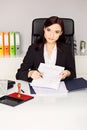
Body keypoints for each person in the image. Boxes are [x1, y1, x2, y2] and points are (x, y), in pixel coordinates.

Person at [16, 16, 76, 82]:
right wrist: (30, 73)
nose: (51, 35)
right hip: (38, 88)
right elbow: (19, 74)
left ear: (60, 33)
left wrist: (67, 73)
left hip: (59, 88)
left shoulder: (66, 49)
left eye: (56, 32)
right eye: (48, 30)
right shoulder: (33, 49)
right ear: (44, 29)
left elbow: (73, 73)